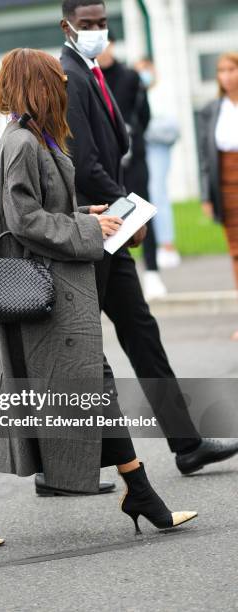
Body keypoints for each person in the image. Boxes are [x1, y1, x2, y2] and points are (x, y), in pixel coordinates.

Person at [0, 48, 197, 549]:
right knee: (55, 392)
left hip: (55, 291)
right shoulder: (22, 142)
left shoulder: (33, 137)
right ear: (38, 86)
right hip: (43, 294)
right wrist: (87, 227)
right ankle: (140, 494)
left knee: (72, 389)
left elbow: (40, 206)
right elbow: (24, 220)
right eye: (56, 80)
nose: (64, 87)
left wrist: (85, 210)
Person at [51, 0, 238, 495]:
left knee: (140, 332)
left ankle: (187, 443)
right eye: (86, 24)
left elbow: (113, 144)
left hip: (109, 230)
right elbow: (85, 163)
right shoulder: (70, 76)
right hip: (93, 230)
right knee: (79, 349)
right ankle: (56, 470)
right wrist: (127, 212)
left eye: (102, 23)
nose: (96, 31)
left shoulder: (92, 70)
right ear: (66, 26)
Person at [98, 35, 167, 300]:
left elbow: (144, 115)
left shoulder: (129, 77)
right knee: (111, 216)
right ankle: (116, 275)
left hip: (133, 158)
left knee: (142, 210)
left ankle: (152, 271)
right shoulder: (91, 79)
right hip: (105, 162)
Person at [198, 52, 238, 341]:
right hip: (225, 188)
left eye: (231, 69)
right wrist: (207, 196)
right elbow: (205, 158)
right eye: (221, 71)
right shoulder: (213, 109)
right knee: (236, 254)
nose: (226, 76)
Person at [135, 58, 182, 270]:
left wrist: (145, 128)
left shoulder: (163, 93)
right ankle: (150, 246)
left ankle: (167, 245)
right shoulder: (135, 93)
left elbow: (171, 128)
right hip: (140, 151)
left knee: (158, 194)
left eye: (146, 69)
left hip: (157, 150)